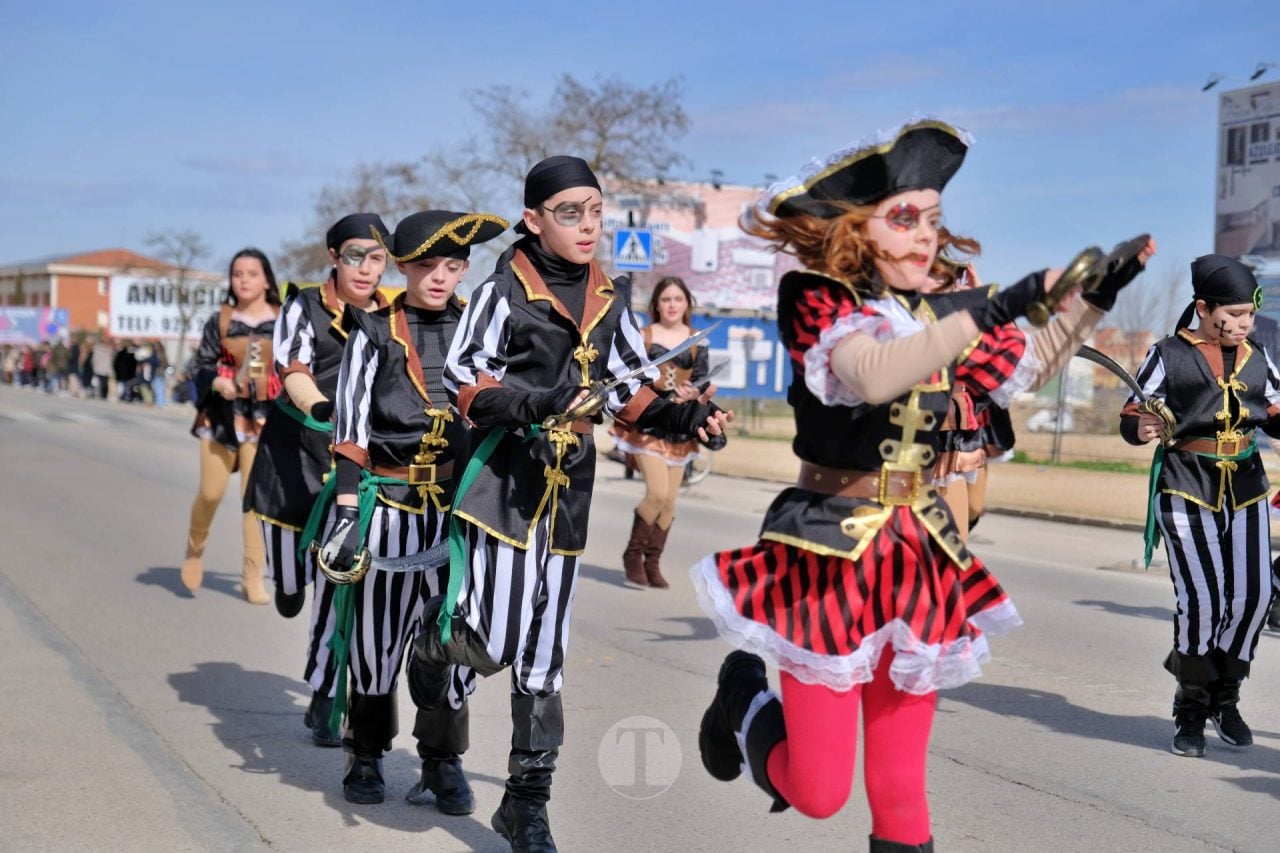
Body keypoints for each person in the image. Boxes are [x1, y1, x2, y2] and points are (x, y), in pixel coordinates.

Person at [688, 119, 1154, 851]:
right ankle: (742, 702)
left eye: (932, 221)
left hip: (917, 550)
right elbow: (874, 371)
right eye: (902, 219)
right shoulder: (817, 299)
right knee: (818, 793)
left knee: (901, 786)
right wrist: (987, 307)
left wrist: (1096, 299)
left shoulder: (936, 310)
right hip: (824, 550)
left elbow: (1022, 373)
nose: (923, 238)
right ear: (856, 230)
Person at [411, 155, 731, 851]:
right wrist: (538, 401)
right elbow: (465, 383)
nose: (588, 225)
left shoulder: (609, 295)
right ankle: (431, 648)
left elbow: (624, 390)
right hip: (502, 483)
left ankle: (527, 803)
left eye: (594, 210)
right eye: (569, 213)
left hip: (568, 493)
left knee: (543, 653)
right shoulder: (502, 291)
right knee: (492, 641)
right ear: (533, 220)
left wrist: (683, 419)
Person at [310, 208, 506, 807]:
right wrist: (346, 514)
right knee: (375, 641)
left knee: (451, 637)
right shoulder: (371, 329)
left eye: (453, 266)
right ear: (403, 266)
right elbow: (350, 429)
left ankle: (442, 762)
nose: (440, 277)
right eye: (427, 265)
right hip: (387, 506)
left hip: (455, 511)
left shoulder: (477, 327)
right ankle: (365, 756)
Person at [242, 214, 392, 746]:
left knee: (336, 580)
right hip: (295, 452)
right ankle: (285, 583)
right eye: (356, 255)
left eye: (377, 258)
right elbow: (292, 366)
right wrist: (326, 406)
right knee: (292, 575)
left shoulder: (391, 314)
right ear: (333, 256)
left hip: (350, 463)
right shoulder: (303, 305)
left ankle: (325, 693)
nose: (367, 268)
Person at [1121, 254, 1279, 758]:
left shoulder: (1260, 356)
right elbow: (1133, 410)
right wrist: (1139, 427)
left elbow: (1273, 411)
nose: (1240, 325)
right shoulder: (1168, 353)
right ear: (1204, 308)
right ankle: (1190, 709)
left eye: (1247, 316)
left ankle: (1223, 698)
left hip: (1249, 487)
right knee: (1203, 602)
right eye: (1229, 316)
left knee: (1254, 598)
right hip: (1187, 484)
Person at [180, 248, 281, 604]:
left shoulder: (284, 319)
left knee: (253, 502)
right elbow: (200, 365)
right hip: (222, 416)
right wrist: (217, 381)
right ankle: (194, 550)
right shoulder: (220, 320)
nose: (244, 280)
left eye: (252, 273)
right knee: (210, 492)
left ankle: (252, 576)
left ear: (266, 279)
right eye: (237, 273)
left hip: (264, 420)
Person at [609, 276, 719, 588]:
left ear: (686, 304)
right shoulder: (643, 336)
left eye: (678, 299)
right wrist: (659, 390)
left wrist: (694, 392)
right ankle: (633, 555)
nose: (672, 305)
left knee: (669, 502)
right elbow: (631, 379)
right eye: (666, 299)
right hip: (649, 425)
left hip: (680, 427)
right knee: (656, 494)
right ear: (656, 303)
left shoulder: (698, 339)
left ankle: (652, 561)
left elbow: (701, 379)